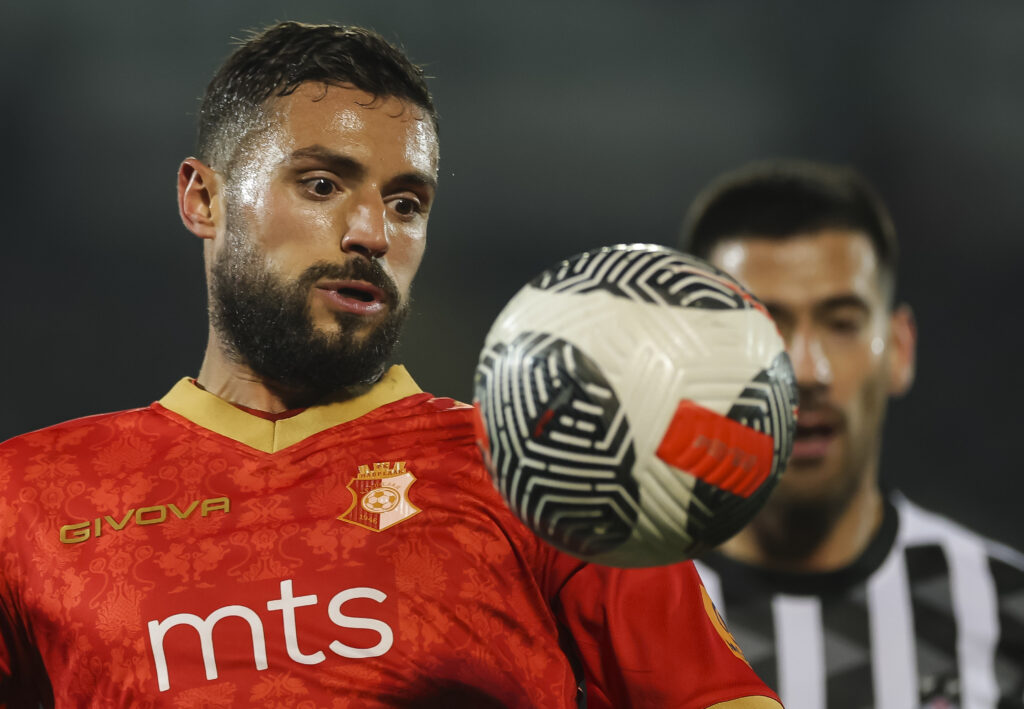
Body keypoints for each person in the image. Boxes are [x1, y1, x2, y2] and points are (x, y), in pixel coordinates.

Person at [0, 22, 779, 708]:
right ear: (204, 199)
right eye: (321, 184)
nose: (373, 231)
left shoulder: (546, 472)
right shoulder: (27, 498)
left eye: (407, 203)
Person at [680, 159, 1024, 708]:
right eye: (763, 324)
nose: (809, 370)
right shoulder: (608, 617)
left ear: (901, 350)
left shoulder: (1006, 614)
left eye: (842, 323)